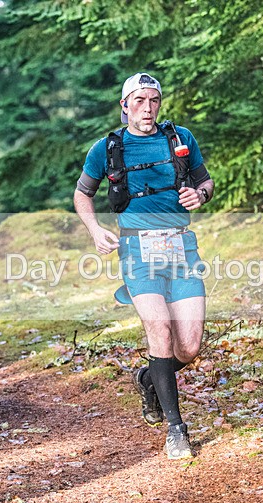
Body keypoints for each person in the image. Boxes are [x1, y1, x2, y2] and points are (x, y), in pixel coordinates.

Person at [74, 73, 215, 459]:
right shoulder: (106, 148)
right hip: (137, 251)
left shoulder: (180, 138)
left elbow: (205, 181)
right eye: (138, 101)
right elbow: (83, 193)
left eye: (153, 100)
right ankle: (176, 429)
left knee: (189, 346)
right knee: (159, 330)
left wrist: (199, 195)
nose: (147, 108)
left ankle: (149, 377)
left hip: (182, 249)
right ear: (124, 106)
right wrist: (94, 229)